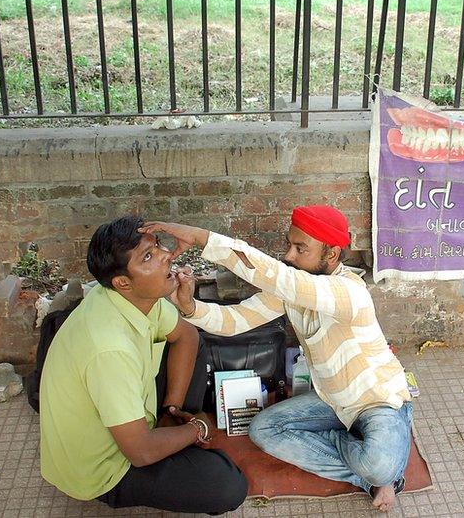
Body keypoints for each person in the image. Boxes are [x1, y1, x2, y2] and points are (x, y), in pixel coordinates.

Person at [143, 205, 413, 512]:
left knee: (379, 464)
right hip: (332, 401)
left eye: (301, 248)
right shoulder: (294, 289)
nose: (289, 255)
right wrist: (191, 308)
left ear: (332, 255)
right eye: (289, 244)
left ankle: (381, 469)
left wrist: (201, 238)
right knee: (263, 430)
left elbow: (278, 277)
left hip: (377, 400)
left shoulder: (349, 293)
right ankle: (368, 470)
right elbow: (237, 320)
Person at [39, 215, 247, 513]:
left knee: (193, 342)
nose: (166, 255)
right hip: (106, 467)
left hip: (137, 419)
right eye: (148, 256)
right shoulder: (109, 350)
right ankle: (177, 438)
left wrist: (169, 411)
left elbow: (186, 336)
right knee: (228, 485)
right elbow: (140, 452)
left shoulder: (135, 295)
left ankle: (170, 424)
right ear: (123, 281)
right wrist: (199, 427)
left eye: (157, 246)